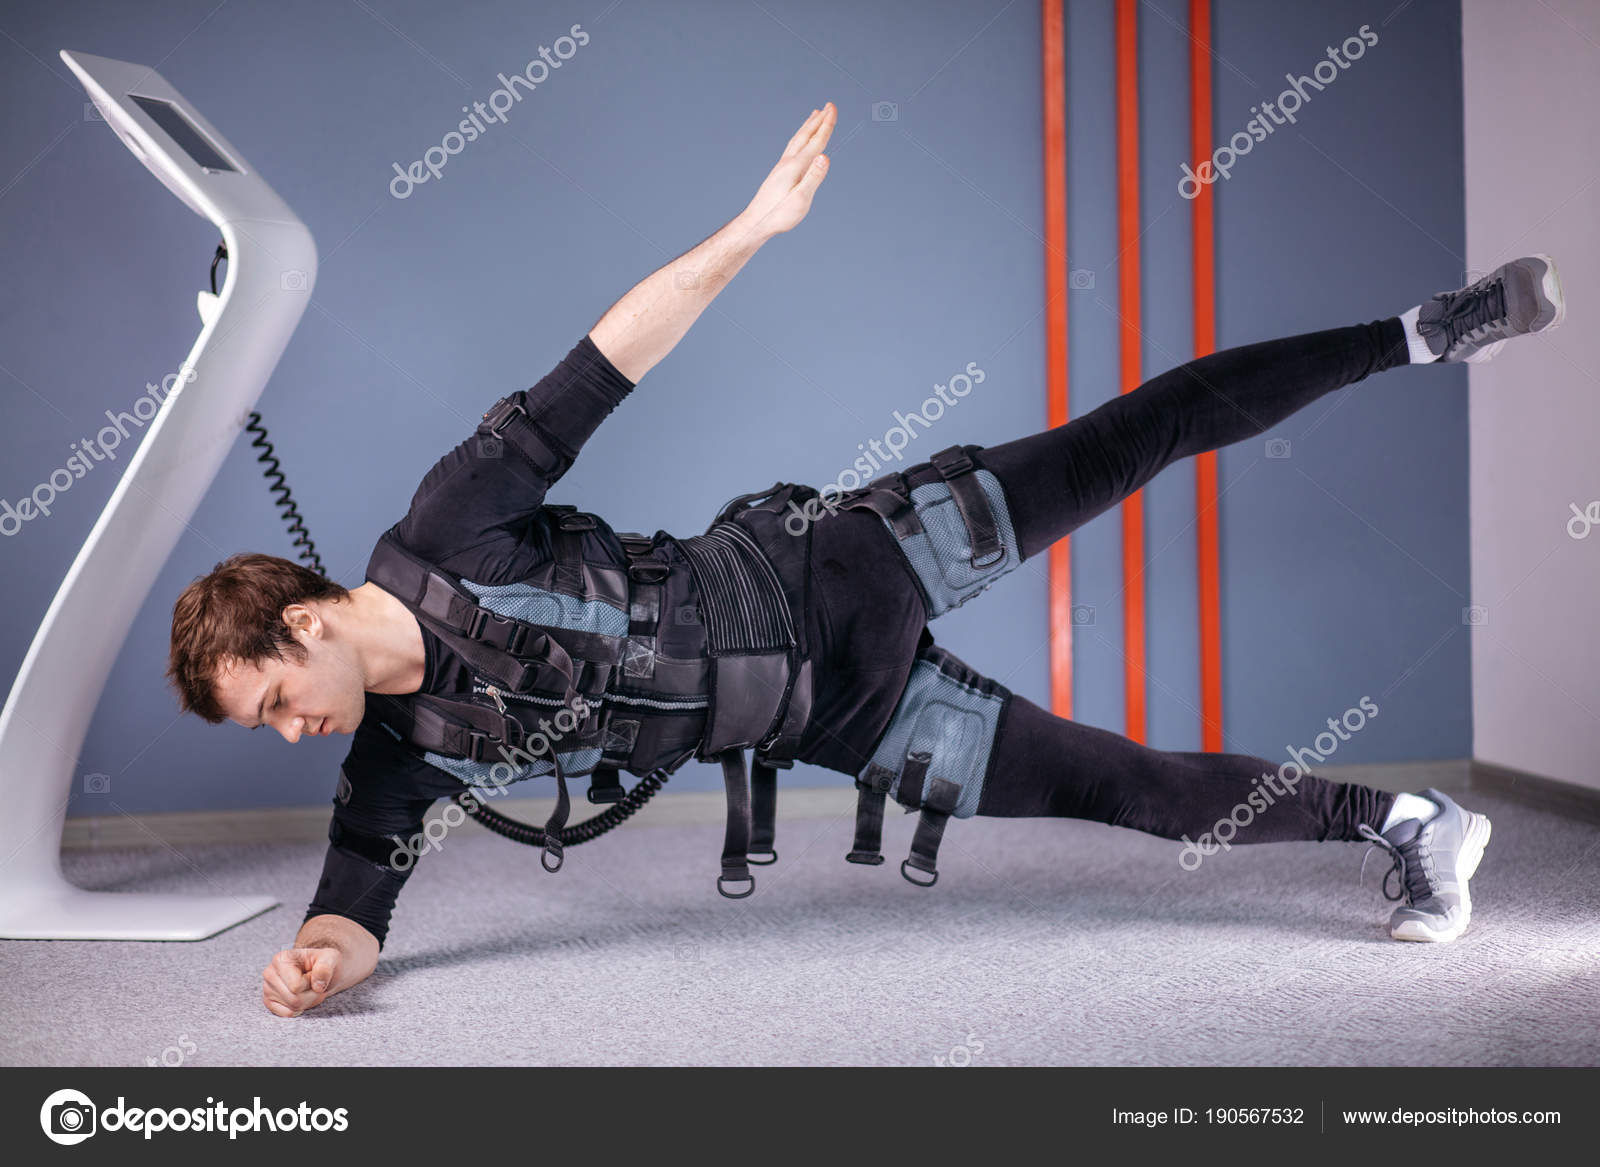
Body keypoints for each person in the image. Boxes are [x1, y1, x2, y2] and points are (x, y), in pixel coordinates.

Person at [160, 104, 1563, 1018]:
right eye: (271, 727)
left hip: (845, 571)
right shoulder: (397, 756)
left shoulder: (448, 521)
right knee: (1121, 787)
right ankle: (1414, 830)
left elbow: (606, 358)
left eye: (275, 699)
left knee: (1136, 432)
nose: (291, 731)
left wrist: (752, 233)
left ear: (304, 621)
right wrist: (316, 968)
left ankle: (1421, 332)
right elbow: (357, 901)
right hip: (841, 716)